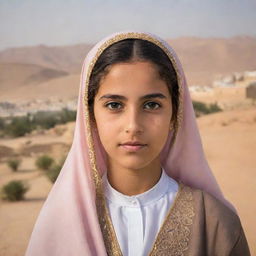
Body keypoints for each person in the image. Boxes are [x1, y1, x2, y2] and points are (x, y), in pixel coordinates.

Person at [26, 31, 250, 256]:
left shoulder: (216, 224)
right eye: (114, 105)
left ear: (175, 115)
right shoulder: (61, 223)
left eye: (151, 105)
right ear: (90, 115)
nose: (133, 125)